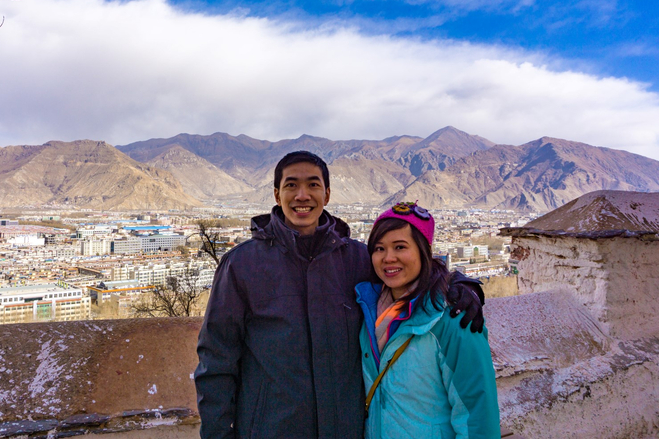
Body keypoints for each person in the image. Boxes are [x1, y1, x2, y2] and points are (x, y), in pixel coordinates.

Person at [195, 151, 485, 439]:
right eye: (291, 185)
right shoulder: (243, 264)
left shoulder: (357, 259)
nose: (302, 195)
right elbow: (217, 358)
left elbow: (408, 277)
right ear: (276, 194)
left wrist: (458, 285)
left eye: (313, 185)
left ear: (328, 194)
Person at [357, 202, 500, 439]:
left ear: (424, 250)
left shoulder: (454, 320)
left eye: (400, 247)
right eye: (379, 249)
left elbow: (477, 415)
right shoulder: (367, 310)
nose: (388, 258)